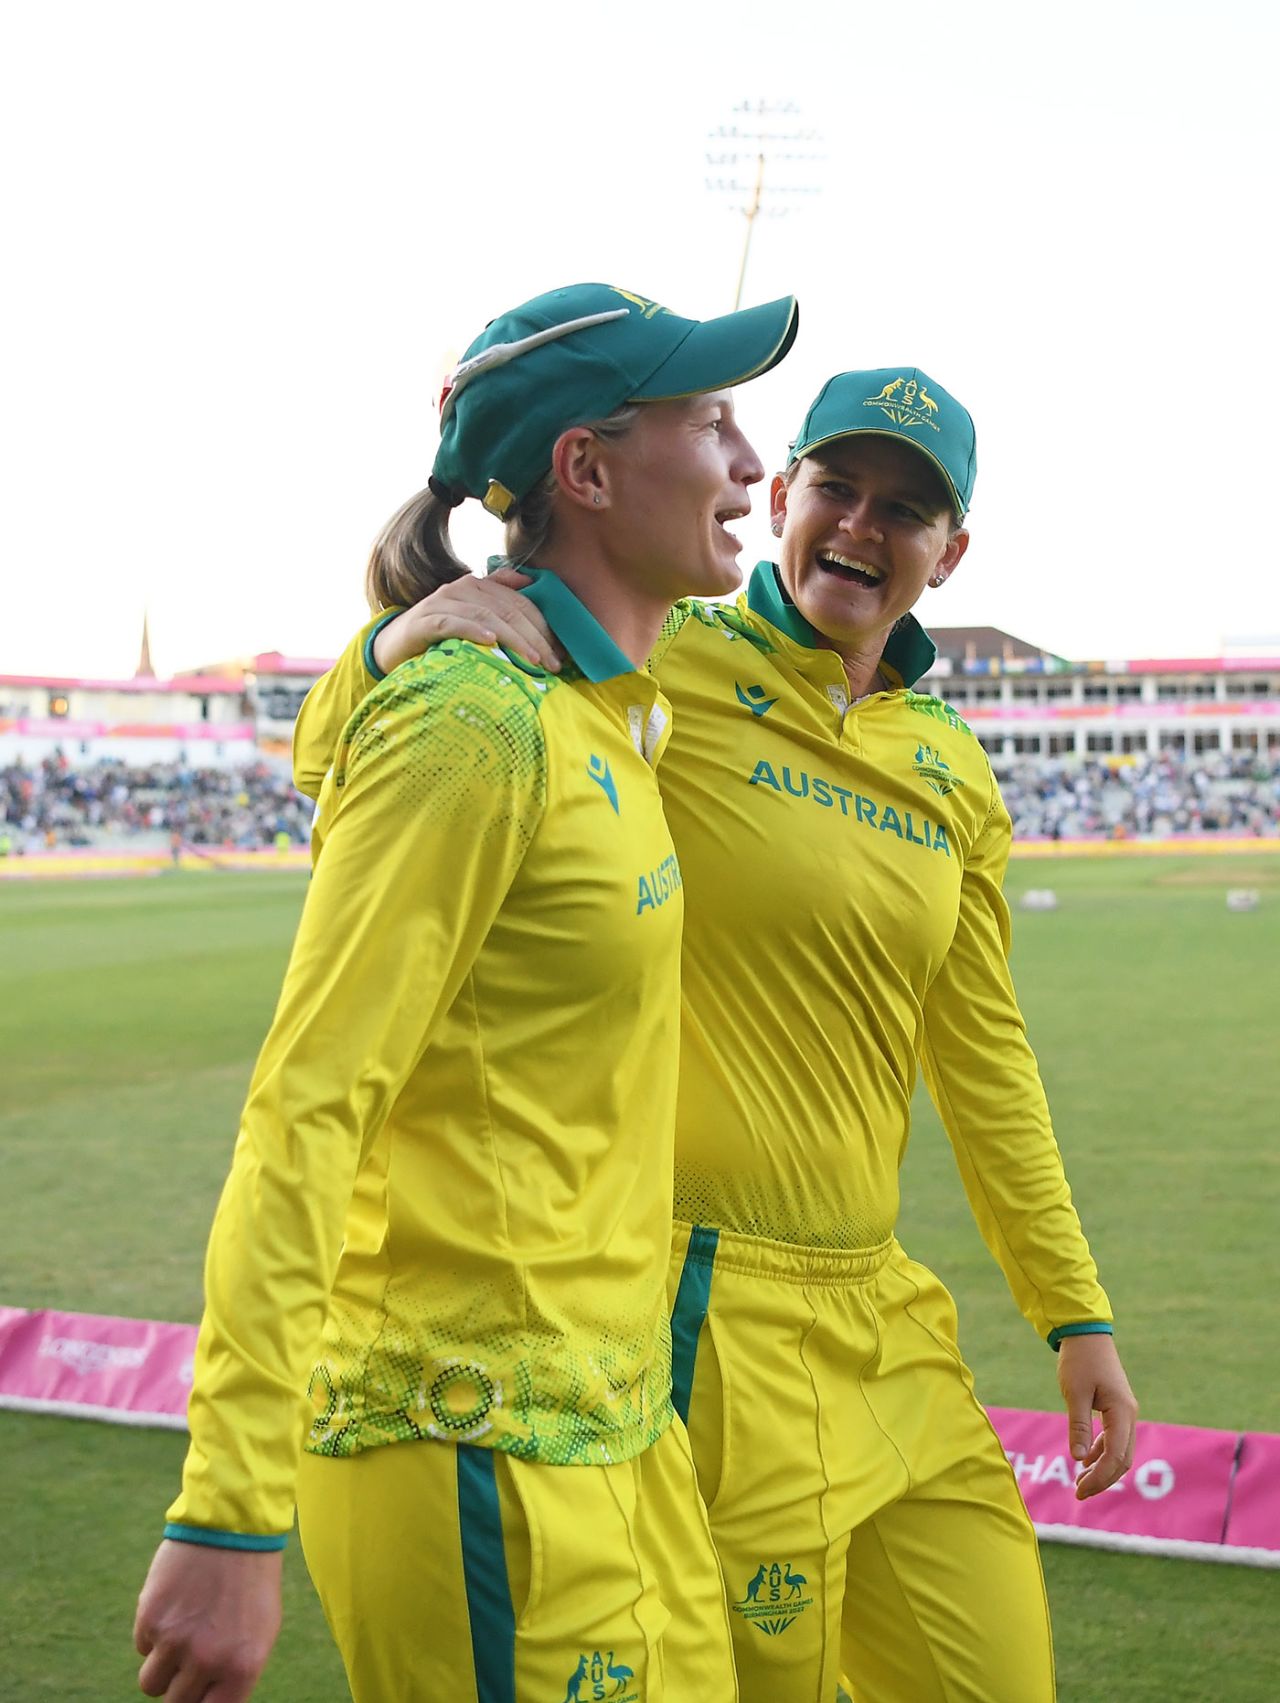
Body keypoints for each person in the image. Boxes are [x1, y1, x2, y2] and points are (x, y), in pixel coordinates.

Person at [296, 364, 1139, 1703]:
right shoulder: (664, 653)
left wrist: (1072, 1312)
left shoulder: (950, 765)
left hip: (887, 1316)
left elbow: (984, 1060)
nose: (862, 527)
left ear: (951, 551)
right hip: (707, 1310)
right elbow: (371, 750)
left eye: (906, 510)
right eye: (840, 489)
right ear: (790, 490)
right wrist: (389, 646)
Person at [132, 280, 798, 1703]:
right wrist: (228, 1504)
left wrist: (376, 648)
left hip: (625, 1444)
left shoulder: (612, 696)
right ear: (589, 468)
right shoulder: (475, 723)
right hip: (475, 1452)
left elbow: (338, 743)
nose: (756, 467)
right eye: (716, 421)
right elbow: (309, 1109)